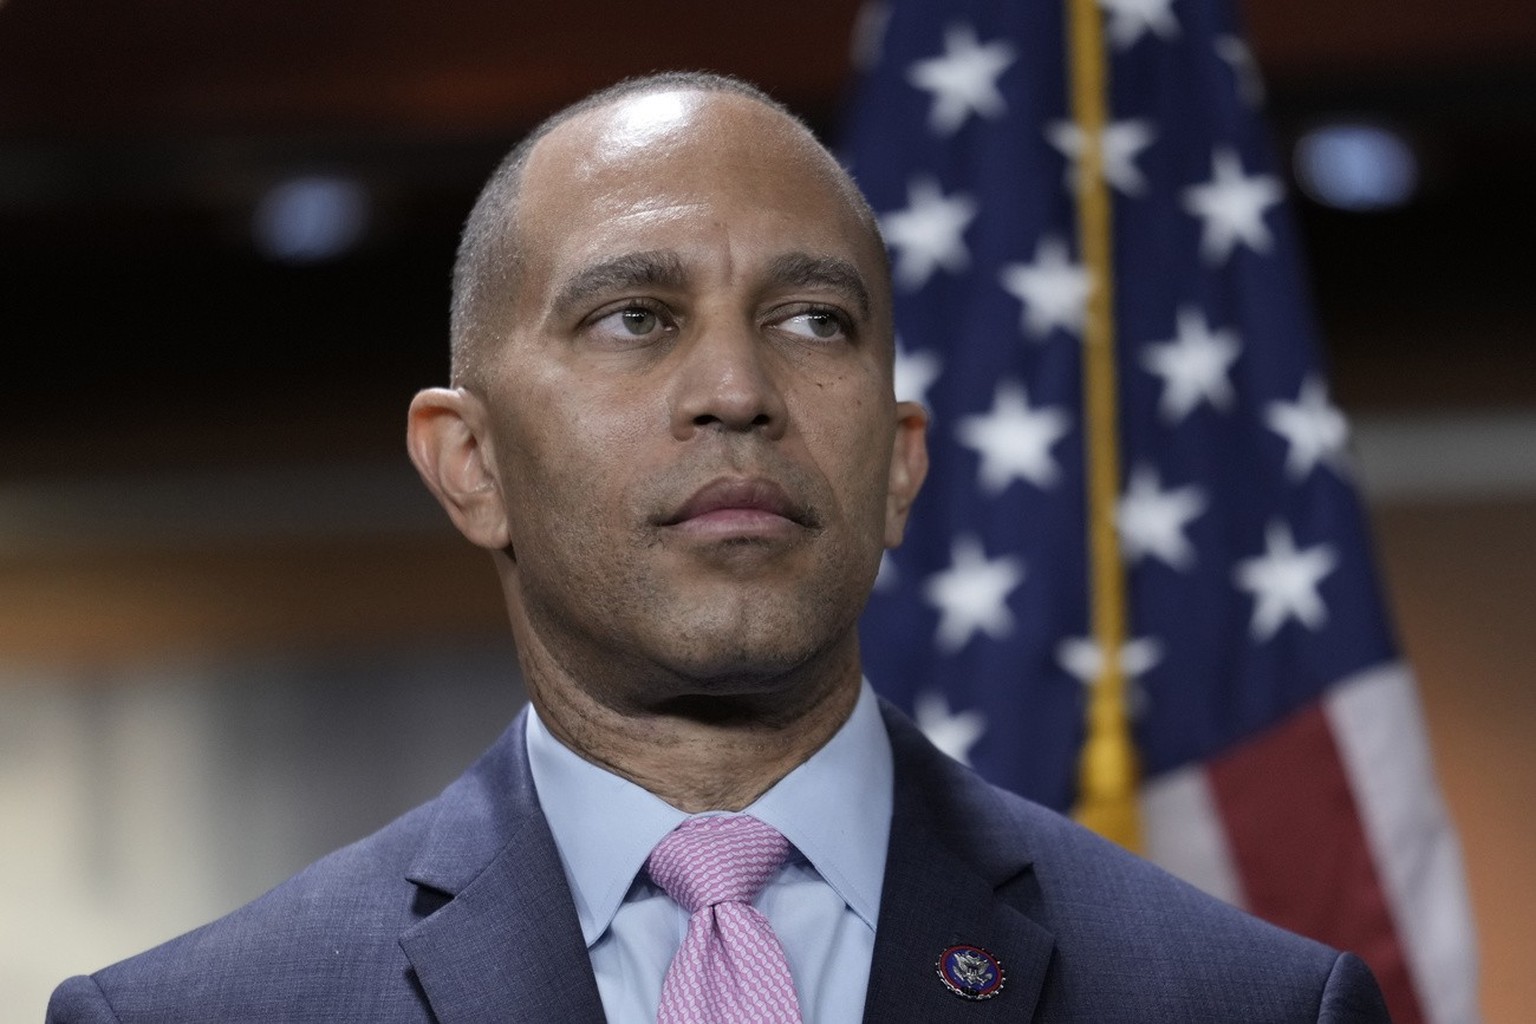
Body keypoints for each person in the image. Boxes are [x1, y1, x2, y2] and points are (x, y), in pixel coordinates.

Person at [47, 72, 1391, 1023]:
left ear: (903, 462)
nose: (737, 390)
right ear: (471, 464)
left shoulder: (1250, 1004)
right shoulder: (199, 1013)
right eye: (635, 317)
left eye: (814, 321)